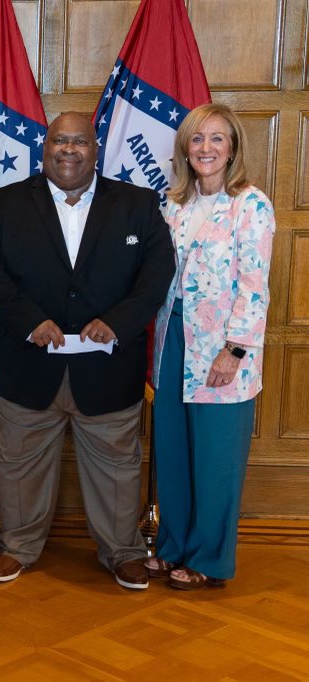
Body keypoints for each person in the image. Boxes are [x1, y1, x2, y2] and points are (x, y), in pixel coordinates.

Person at [0, 111, 174, 589]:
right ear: (44, 149)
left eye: (79, 142)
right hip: (27, 365)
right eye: (59, 141)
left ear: (95, 148)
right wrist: (30, 320)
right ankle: (18, 545)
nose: (68, 150)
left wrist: (119, 322)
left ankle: (122, 552)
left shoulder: (138, 204)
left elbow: (156, 274)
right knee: (19, 463)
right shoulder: (6, 203)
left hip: (108, 369)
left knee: (119, 468)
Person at [146, 103, 275, 590]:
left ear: (233, 147)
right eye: (197, 140)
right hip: (172, 341)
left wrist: (235, 350)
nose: (206, 149)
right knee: (174, 452)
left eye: (217, 139)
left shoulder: (251, 204)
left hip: (223, 349)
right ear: (185, 148)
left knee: (216, 457)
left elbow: (254, 285)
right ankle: (173, 545)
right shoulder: (172, 203)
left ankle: (210, 558)